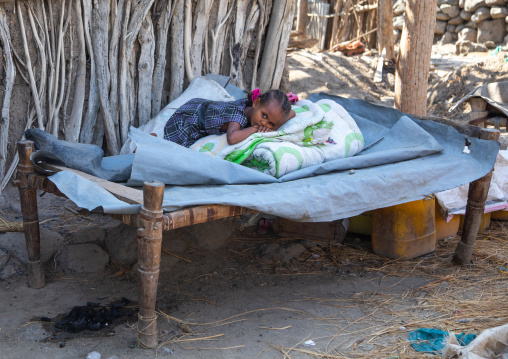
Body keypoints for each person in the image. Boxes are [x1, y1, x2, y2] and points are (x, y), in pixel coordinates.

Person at [163, 89, 297, 147]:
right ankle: (153, 139)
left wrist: (274, 125)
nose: (264, 123)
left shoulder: (257, 112)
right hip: (189, 118)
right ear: (256, 103)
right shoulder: (237, 115)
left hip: (203, 109)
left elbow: (292, 114)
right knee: (173, 150)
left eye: (271, 123)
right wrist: (255, 129)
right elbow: (232, 138)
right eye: (264, 115)